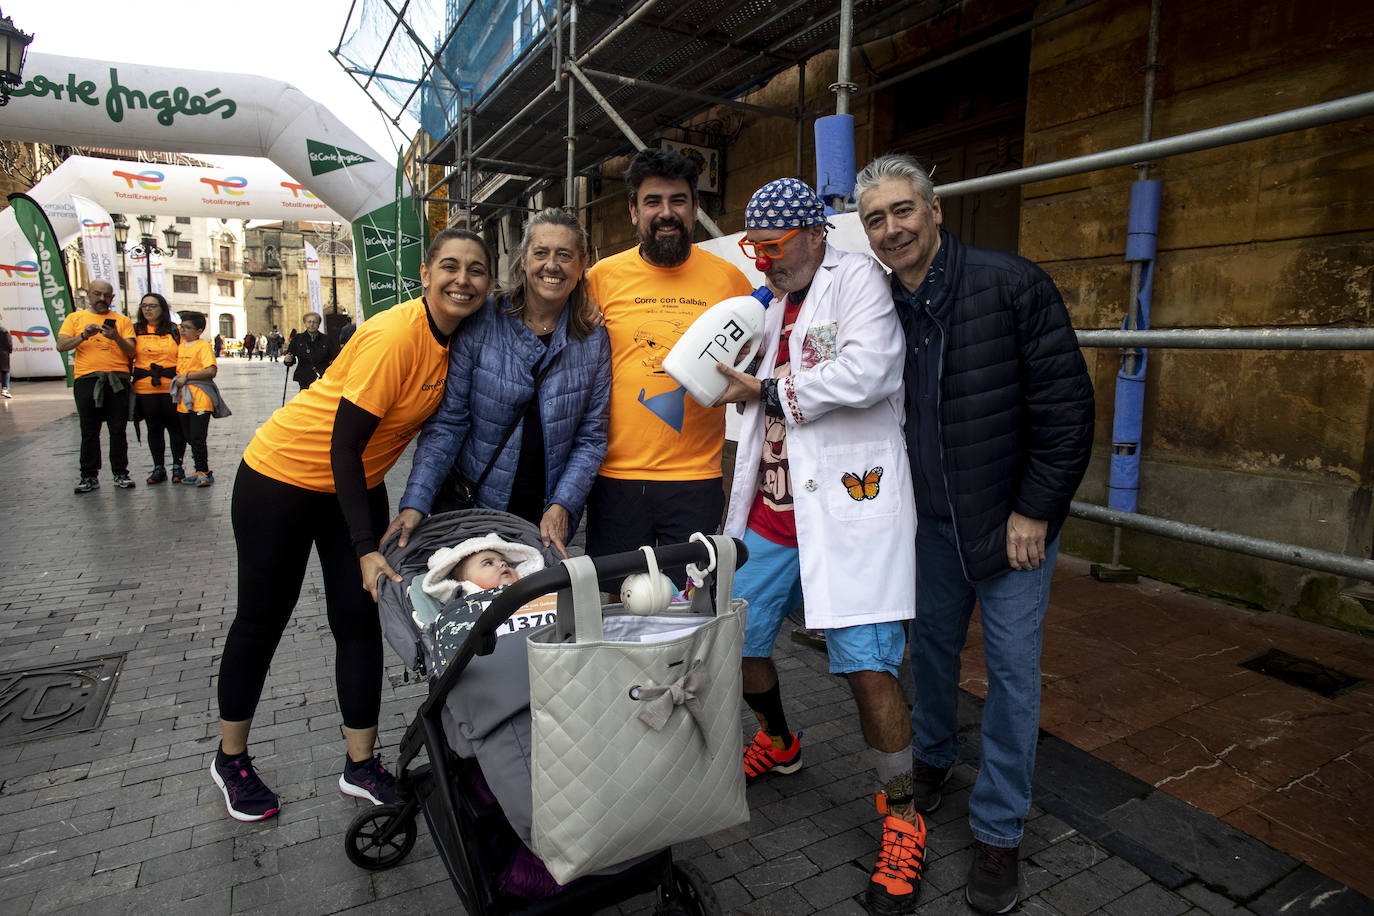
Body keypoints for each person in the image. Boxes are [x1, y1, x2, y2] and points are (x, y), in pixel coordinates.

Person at [855, 153, 1095, 914]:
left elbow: (1067, 409)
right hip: (927, 530)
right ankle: (929, 759)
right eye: (875, 220)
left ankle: (997, 834)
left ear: (934, 211)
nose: (891, 229)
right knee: (927, 652)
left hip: (1010, 529)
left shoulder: (1011, 284)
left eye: (902, 211)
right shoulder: (879, 306)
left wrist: (1037, 509)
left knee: (1012, 679)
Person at [210, 229, 493, 823]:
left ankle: (360, 766)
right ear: (424, 272)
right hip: (280, 480)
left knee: (359, 622)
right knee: (262, 620)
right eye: (449, 266)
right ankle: (230, 757)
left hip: (354, 489)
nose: (462, 279)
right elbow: (344, 444)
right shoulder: (397, 336)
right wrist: (365, 546)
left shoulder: (462, 336)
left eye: (476, 270)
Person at [714, 178, 923, 916]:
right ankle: (779, 740)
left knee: (868, 671)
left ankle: (902, 816)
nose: (764, 262)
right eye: (756, 250)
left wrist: (769, 392)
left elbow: (871, 372)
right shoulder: (771, 305)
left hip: (846, 513)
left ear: (813, 234)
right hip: (771, 515)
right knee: (735, 639)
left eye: (773, 247)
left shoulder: (857, 279)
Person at [388, 208, 612, 559]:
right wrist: (416, 501)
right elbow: (448, 423)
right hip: (476, 505)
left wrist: (563, 504)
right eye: (541, 253)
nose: (551, 265)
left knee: (537, 609)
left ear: (581, 264)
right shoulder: (482, 321)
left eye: (564, 255)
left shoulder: (593, 338)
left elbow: (591, 437)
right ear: (523, 260)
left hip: (544, 518)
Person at [583, 148, 752, 578]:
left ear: (695, 208)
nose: (666, 213)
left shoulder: (729, 280)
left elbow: (753, 361)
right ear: (633, 211)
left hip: (696, 477)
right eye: (652, 202)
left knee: (691, 609)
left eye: (678, 200)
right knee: (618, 605)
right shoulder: (601, 278)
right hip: (616, 475)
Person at [55, 279, 137, 493]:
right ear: (89, 294)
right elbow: (61, 346)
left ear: (112, 298)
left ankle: (121, 473)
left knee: (117, 429)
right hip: (87, 380)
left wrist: (115, 336)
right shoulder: (75, 318)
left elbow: (131, 352)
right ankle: (89, 475)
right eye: (97, 294)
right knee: (89, 430)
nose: (102, 299)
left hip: (117, 380)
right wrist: (83, 336)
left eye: (106, 295)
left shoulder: (122, 321)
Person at [131, 293, 187, 484]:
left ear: (162, 309)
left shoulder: (174, 330)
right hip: (145, 388)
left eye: (153, 306)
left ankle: (178, 466)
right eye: (144, 305)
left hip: (171, 387)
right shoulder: (135, 330)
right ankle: (158, 467)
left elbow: (185, 355)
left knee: (175, 427)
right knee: (153, 428)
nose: (147, 309)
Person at [171, 311, 220, 488]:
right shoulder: (182, 346)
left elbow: (211, 370)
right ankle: (198, 469)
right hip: (184, 399)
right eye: (182, 327)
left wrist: (188, 377)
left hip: (200, 398)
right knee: (189, 437)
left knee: (198, 437)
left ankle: (204, 471)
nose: (183, 330)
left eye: (187, 328)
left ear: (198, 331)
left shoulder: (202, 346)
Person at [283, 312, 334, 390]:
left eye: (315, 322)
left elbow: (335, 357)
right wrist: (288, 360)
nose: (312, 324)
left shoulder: (326, 340)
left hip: (322, 378)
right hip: (304, 378)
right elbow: (290, 356)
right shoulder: (298, 339)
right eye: (309, 322)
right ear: (305, 323)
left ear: (319, 324)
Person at [0, 312, 12, 398]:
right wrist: (9, 351)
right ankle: (5, 389)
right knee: (5, 371)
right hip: (3, 354)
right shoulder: (4, 330)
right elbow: (8, 343)